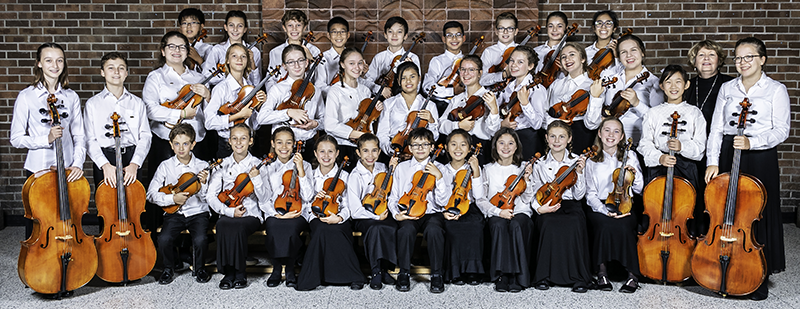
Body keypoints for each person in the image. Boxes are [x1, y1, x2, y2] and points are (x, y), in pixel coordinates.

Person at [704, 37, 790, 301]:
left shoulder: (776, 89)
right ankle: (724, 265)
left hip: (760, 156)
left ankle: (758, 274)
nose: (742, 62)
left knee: (757, 214)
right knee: (727, 211)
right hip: (731, 151)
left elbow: (781, 130)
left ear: (762, 59)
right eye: (739, 58)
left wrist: (753, 142)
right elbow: (717, 128)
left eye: (749, 57)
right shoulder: (728, 88)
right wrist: (712, 160)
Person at [10, 42, 86, 238]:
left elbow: (79, 135)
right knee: (37, 222)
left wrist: (78, 163)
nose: (55, 65)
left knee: (68, 218)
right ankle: (38, 266)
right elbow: (16, 139)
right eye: (49, 60)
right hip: (38, 170)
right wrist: (46, 138)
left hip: (67, 169)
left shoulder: (71, 97)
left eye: (59, 60)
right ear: (39, 64)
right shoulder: (27, 96)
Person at [143, 31, 211, 229]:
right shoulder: (155, 77)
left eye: (181, 47)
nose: (177, 51)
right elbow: (150, 109)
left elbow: (212, 113)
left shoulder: (199, 77)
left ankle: (196, 241)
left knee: (196, 189)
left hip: (197, 140)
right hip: (166, 141)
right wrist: (180, 115)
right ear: (163, 51)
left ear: (188, 51)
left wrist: (207, 96)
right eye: (171, 46)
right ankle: (163, 244)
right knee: (167, 188)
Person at [295, 135, 366, 291]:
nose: (326, 156)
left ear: (337, 153)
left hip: (339, 216)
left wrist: (340, 217)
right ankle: (319, 276)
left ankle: (353, 276)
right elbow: (306, 200)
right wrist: (315, 199)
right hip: (316, 215)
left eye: (330, 152)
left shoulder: (346, 176)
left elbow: (349, 205)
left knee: (338, 229)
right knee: (321, 229)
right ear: (315, 153)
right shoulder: (310, 175)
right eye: (322, 151)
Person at [530, 120, 593, 293]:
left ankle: (578, 277)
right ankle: (544, 276)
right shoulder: (540, 163)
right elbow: (535, 190)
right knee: (547, 223)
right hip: (548, 203)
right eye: (552, 136)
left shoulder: (577, 160)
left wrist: (579, 173)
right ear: (546, 138)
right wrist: (539, 209)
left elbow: (579, 196)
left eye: (562, 136)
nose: (557, 140)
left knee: (574, 223)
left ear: (569, 139)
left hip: (571, 204)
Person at [206, 123, 268, 290]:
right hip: (228, 211)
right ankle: (228, 273)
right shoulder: (221, 164)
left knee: (238, 227)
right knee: (223, 223)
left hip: (251, 214)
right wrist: (228, 211)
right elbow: (210, 196)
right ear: (229, 141)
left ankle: (239, 273)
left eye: (243, 138)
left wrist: (256, 179)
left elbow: (265, 197)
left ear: (251, 141)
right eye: (235, 138)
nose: (239, 142)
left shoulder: (259, 164)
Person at [387, 127, 449, 293]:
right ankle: (404, 273)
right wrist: (396, 214)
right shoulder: (402, 167)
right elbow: (393, 197)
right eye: (415, 145)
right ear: (410, 148)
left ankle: (437, 274)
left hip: (431, 213)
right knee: (405, 231)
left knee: (435, 231)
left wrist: (439, 178)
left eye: (424, 144)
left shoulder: (440, 168)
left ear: (432, 147)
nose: (420, 148)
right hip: (408, 211)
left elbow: (443, 202)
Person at [584, 117, 643, 293]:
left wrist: (635, 174)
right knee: (603, 225)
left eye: (616, 131)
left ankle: (633, 276)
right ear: (600, 134)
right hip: (600, 204)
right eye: (607, 130)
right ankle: (602, 273)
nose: (611, 135)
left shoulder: (630, 155)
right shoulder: (591, 160)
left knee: (625, 226)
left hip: (626, 204)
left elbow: (639, 189)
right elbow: (590, 194)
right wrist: (603, 210)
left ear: (622, 136)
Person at [146, 123, 210, 285]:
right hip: (174, 213)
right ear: (171, 145)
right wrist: (172, 200)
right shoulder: (165, 166)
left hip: (198, 212)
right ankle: (168, 268)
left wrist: (203, 185)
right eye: (177, 143)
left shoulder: (203, 166)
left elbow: (208, 198)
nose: (181, 148)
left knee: (201, 239)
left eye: (186, 143)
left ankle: (200, 268)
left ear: (193, 144)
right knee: (164, 238)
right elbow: (151, 194)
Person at [684, 39, 734, 237]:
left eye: (711, 55)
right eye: (701, 55)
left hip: (719, 150)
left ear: (719, 60)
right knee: (693, 195)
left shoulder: (730, 84)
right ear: (694, 60)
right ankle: (692, 236)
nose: (706, 59)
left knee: (715, 196)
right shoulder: (687, 85)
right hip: (691, 149)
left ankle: (714, 238)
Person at [475, 127, 534, 292]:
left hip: (520, 212)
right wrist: (498, 212)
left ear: (516, 147)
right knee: (499, 225)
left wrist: (527, 180)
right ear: (495, 146)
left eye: (510, 143)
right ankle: (502, 275)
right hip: (496, 211)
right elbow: (481, 200)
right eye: (501, 143)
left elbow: (527, 199)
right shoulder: (487, 169)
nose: (506, 147)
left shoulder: (523, 168)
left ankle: (517, 275)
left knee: (516, 225)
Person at [84, 52, 151, 190]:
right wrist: (104, 165)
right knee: (106, 206)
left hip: (131, 158)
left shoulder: (137, 103)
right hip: (105, 158)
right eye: (110, 68)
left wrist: (135, 164)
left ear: (126, 73)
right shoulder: (92, 104)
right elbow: (89, 139)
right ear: (102, 72)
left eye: (121, 68)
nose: (116, 72)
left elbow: (145, 136)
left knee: (133, 205)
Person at [345, 133, 399, 290]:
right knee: (375, 228)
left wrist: (392, 171)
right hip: (363, 216)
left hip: (383, 211)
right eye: (366, 151)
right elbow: (355, 210)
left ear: (379, 151)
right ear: (358, 153)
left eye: (374, 151)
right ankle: (375, 271)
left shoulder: (383, 168)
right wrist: (375, 216)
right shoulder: (355, 175)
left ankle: (384, 269)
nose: (370, 155)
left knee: (391, 227)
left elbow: (391, 192)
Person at [638, 64, 706, 189]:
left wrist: (682, 147)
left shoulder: (694, 112)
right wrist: (660, 158)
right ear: (662, 86)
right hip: (659, 166)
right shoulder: (653, 113)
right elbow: (644, 144)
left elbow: (700, 147)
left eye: (678, 82)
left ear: (686, 85)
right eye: (668, 82)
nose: (673, 86)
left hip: (686, 168)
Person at [262, 126, 313, 288]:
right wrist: (276, 214)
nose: (284, 147)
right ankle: (276, 268)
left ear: (294, 145)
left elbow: (308, 196)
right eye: (279, 143)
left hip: (298, 210)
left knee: (291, 229)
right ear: (273, 144)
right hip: (275, 212)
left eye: (288, 143)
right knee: (273, 226)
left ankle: (290, 269)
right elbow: (263, 199)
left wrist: (301, 170)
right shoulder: (267, 167)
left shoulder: (305, 165)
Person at [589, 34, 663, 145]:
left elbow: (658, 122)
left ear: (642, 52)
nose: (629, 55)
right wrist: (594, 98)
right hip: (608, 145)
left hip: (636, 145)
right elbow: (591, 124)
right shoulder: (609, 78)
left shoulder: (654, 83)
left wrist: (637, 104)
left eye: (634, 50)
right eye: (623, 52)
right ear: (618, 56)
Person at [257, 44, 324, 160]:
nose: (297, 65)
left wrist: (315, 124)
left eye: (300, 60)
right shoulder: (277, 89)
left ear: (307, 63)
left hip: (308, 145)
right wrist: (288, 112)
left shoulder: (315, 90)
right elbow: (261, 118)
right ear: (284, 66)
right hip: (282, 147)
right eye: (291, 62)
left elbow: (324, 119)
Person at [439, 129, 486, 286]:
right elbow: (438, 196)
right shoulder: (442, 170)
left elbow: (479, 196)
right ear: (446, 147)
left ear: (469, 148)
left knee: (475, 226)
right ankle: (455, 272)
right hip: (448, 208)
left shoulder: (474, 168)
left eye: (463, 145)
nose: (458, 149)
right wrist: (444, 212)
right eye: (453, 144)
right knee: (452, 228)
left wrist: (476, 171)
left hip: (469, 207)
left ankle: (472, 271)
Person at [204, 43, 266, 158]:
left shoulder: (251, 88)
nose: (239, 59)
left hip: (249, 145)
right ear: (227, 60)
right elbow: (209, 122)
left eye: (243, 56)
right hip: (227, 145)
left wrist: (259, 107)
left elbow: (255, 125)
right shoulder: (221, 88)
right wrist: (237, 116)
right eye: (234, 56)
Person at [438, 55, 500, 165]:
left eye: (471, 70)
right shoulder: (456, 100)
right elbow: (441, 125)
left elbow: (493, 132)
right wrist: (458, 126)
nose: (466, 74)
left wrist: (494, 110)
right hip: (457, 152)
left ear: (480, 73)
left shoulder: (489, 98)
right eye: (463, 69)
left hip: (480, 150)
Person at [324, 47, 380, 165]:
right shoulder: (335, 91)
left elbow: (367, 120)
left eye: (360, 63)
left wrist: (377, 109)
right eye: (351, 63)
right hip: (341, 146)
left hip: (363, 148)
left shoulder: (365, 91)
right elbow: (330, 125)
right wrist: (360, 135)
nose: (357, 67)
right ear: (342, 64)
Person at [545, 42, 604, 151]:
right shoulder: (555, 84)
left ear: (582, 59)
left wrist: (595, 97)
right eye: (563, 57)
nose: (567, 59)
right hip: (553, 136)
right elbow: (543, 112)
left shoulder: (593, 85)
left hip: (580, 136)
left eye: (572, 54)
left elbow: (592, 124)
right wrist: (551, 122)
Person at [375, 61, 440, 156]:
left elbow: (434, 137)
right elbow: (382, 135)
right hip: (394, 152)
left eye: (412, 77)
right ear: (398, 81)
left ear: (419, 79)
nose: (408, 81)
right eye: (403, 78)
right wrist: (394, 153)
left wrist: (431, 121)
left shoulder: (430, 105)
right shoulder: (389, 103)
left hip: (421, 154)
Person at [496, 45, 547, 160]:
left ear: (530, 66)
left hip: (527, 139)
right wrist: (502, 123)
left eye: (520, 62)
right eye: (512, 61)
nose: (513, 65)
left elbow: (537, 124)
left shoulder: (537, 89)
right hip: (507, 139)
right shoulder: (509, 86)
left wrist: (525, 104)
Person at [363, 16, 421, 99]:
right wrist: (380, 89)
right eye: (390, 31)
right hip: (381, 99)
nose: (394, 35)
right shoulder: (379, 57)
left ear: (405, 36)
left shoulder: (413, 58)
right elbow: (367, 81)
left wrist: (410, 70)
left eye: (399, 32)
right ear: (385, 35)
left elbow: (417, 87)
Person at [267, 9, 324, 91]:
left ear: (304, 27)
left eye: (298, 25)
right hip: (282, 95)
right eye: (290, 25)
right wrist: (275, 96)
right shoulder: (275, 52)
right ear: (284, 28)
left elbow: (319, 80)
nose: (294, 29)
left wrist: (311, 59)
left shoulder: (314, 51)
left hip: (306, 95)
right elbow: (270, 80)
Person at [203, 10, 262, 86]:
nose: (235, 29)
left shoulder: (254, 51)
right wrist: (230, 78)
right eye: (231, 25)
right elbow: (206, 75)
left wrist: (252, 63)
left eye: (240, 26)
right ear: (225, 27)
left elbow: (257, 84)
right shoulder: (217, 50)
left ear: (245, 29)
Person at [423, 21, 466, 113]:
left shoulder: (469, 61)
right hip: (442, 107)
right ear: (444, 39)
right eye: (449, 35)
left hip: (464, 106)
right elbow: (427, 87)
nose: (454, 38)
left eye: (458, 35)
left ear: (463, 38)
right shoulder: (437, 61)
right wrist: (451, 91)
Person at [479, 12, 520, 87]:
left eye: (510, 28)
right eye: (501, 28)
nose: (505, 32)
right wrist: (502, 75)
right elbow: (481, 80)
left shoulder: (522, 50)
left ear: (516, 31)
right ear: (496, 31)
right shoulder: (489, 52)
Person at [320, 16, 351, 98]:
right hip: (330, 101)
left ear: (348, 35)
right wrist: (340, 92)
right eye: (334, 32)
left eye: (342, 32)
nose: (339, 35)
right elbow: (320, 87)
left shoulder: (354, 57)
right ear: (328, 35)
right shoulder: (323, 58)